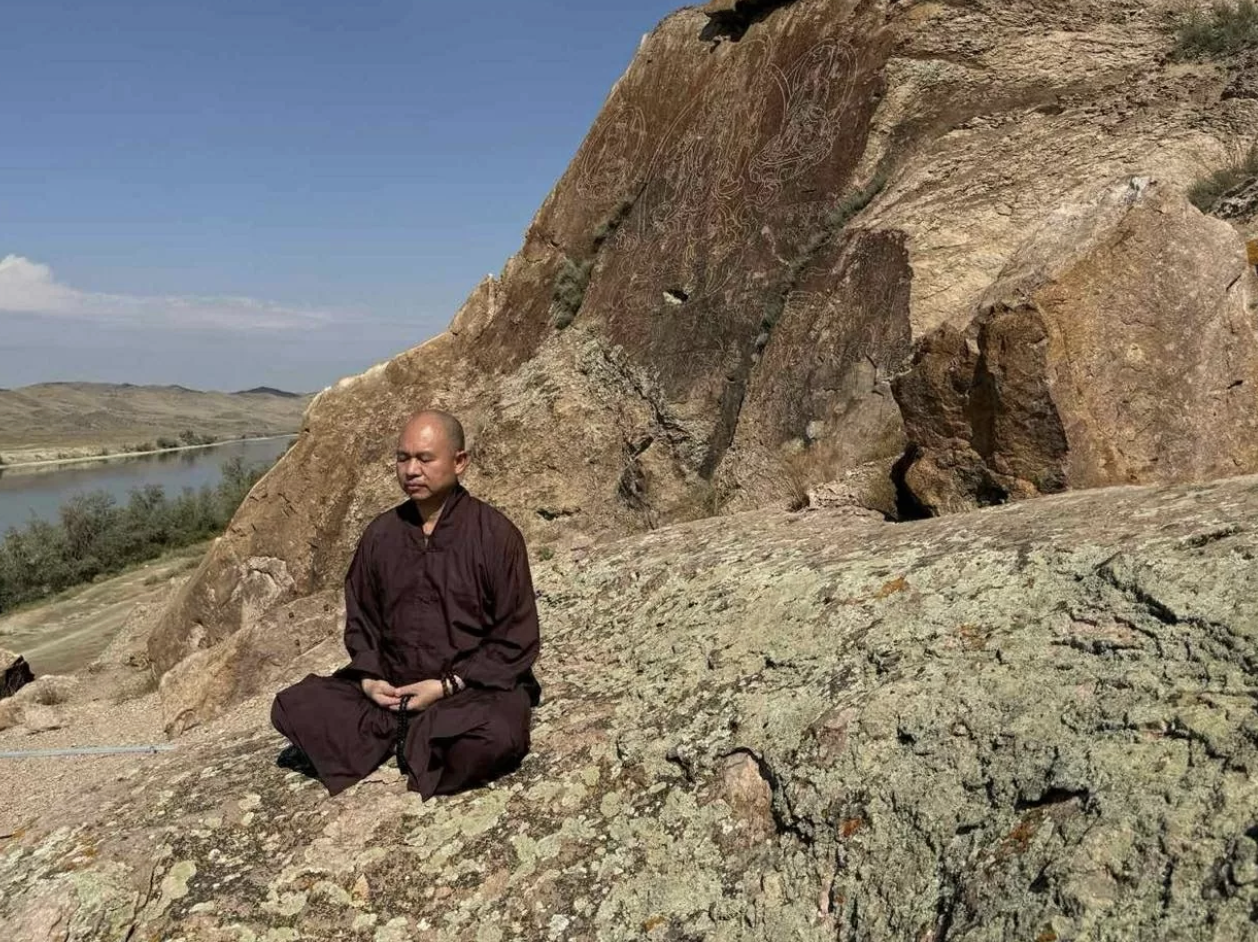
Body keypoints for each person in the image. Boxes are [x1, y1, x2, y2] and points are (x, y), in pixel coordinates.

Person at [271, 409, 541, 798]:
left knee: (497, 735)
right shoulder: (381, 535)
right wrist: (369, 680)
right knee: (296, 707)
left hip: (468, 689)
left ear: (459, 462)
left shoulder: (496, 536)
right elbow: (362, 621)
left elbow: (516, 637)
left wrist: (445, 685)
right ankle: (412, 733)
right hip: (393, 690)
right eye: (403, 458)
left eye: (425, 459)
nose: (412, 470)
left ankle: (415, 734)